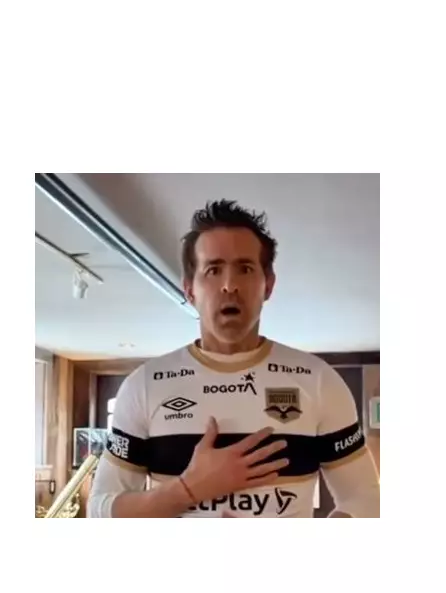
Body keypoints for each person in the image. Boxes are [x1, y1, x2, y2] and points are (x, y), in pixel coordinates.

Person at [87, 200, 380, 518]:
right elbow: (100, 510)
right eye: (213, 270)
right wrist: (187, 490)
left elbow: (365, 498)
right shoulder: (144, 386)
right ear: (190, 289)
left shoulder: (319, 381)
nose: (229, 285)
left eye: (245, 268)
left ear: (268, 285)